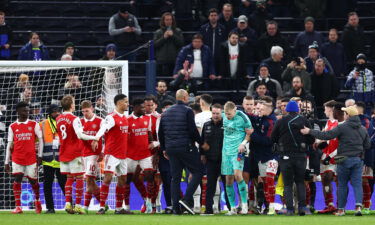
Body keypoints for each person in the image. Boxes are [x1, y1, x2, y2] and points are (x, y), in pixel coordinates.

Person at [301, 105, 371, 216]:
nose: (344, 114)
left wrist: (309, 131)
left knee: (342, 184)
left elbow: (326, 135)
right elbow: (367, 145)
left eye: (345, 113)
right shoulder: (362, 129)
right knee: (357, 184)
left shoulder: (342, 127)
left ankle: (341, 210)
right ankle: (358, 208)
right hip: (358, 159)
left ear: (348, 115)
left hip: (343, 158)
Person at [158, 89, 204, 215]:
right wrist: (201, 143)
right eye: (188, 96)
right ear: (184, 97)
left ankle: (176, 208)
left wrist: (164, 149)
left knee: (175, 178)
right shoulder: (188, 111)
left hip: (171, 149)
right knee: (198, 171)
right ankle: (186, 199)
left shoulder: (166, 113)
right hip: (185, 147)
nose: (188, 98)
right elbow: (192, 130)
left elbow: (160, 133)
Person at [271, 100, 315, 216]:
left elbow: (273, 138)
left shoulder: (280, 121)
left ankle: (289, 209)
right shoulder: (304, 120)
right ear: (298, 110)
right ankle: (302, 208)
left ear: (287, 109)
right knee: (300, 182)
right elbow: (311, 139)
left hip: (285, 156)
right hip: (301, 156)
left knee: (287, 184)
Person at [56, 95, 98, 214]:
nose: (75, 105)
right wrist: (95, 137)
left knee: (69, 178)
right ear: (71, 105)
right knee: (79, 178)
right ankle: (78, 205)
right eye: (74, 103)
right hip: (75, 152)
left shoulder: (58, 119)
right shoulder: (75, 118)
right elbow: (80, 135)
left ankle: (68, 203)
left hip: (63, 152)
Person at [93, 94, 129, 214]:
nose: (127, 104)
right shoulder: (111, 117)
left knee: (122, 180)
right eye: (125, 102)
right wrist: (96, 138)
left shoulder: (125, 118)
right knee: (107, 178)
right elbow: (103, 128)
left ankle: (119, 208)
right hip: (112, 153)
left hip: (123, 155)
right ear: (119, 103)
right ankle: (102, 207)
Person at [4, 102, 43, 214]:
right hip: (17, 158)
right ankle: (18, 207)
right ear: (18, 112)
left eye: (28, 110)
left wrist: (39, 155)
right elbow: (9, 144)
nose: (27, 112)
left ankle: (37, 201)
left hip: (31, 158)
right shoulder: (12, 126)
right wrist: (7, 161)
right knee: (17, 179)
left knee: (33, 181)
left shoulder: (34, 124)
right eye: (24, 110)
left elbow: (41, 140)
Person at [221, 101, 253, 215]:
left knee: (238, 175)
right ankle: (233, 208)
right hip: (226, 152)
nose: (227, 116)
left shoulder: (242, 117)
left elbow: (250, 131)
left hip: (237, 151)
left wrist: (243, 144)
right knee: (228, 179)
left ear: (234, 110)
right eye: (226, 114)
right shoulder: (223, 115)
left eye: (229, 114)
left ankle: (244, 205)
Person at [126, 98, 157, 213]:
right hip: (130, 155)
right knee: (127, 180)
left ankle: (149, 202)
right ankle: (127, 206)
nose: (145, 109)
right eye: (142, 107)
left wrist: (152, 144)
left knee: (150, 177)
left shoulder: (147, 118)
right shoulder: (127, 120)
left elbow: (149, 134)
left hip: (145, 154)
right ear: (135, 108)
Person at [250, 97, 278, 215]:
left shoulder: (272, 122)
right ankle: (266, 207)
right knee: (265, 182)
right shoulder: (261, 119)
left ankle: (271, 207)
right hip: (261, 157)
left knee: (270, 181)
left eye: (261, 109)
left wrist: (252, 134)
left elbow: (268, 141)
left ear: (268, 109)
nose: (258, 111)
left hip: (272, 156)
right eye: (258, 109)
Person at [39, 104, 66, 214]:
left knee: (64, 184)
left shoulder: (63, 122)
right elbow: (37, 140)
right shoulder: (42, 124)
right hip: (47, 160)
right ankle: (50, 208)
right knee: (47, 185)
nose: (57, 113)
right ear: (49, 113)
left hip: (61, 160)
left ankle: (71, 206)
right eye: (55, 111)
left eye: (58, 111)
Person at [316, 100, 340, 214]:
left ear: (330, 109)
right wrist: (318, 142)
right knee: (325, 179)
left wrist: (331, 156)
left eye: (325, 109)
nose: (324, 111)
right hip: (326, 154)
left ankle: (341, 205)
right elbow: (324, 136)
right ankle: (329, 204)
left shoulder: (339, 123)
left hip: (337, 156)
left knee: (337, 179)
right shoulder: (328, 123)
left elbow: (340, 143)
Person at [200, 103, 224, 215]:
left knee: (227, 184)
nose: (215, 115)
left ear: (222, 113)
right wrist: (202, 154)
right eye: (213, 113)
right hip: (211, 159)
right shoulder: (207, 124)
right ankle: (208, 209)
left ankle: (231, 208)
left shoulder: (227, 124)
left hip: (224, 160)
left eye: (217, 113)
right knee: (210, 185)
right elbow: (202, 140)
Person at [80, 100, 103, 214]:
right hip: (83, 155)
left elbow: (106, 138)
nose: (85, 113)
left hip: (94, 155)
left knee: (89, 180)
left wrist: (102, 152)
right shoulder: (79, 122)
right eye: (83, 111)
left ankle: (85, 207)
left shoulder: (100, 121)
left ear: (92, 109)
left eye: (87, 111)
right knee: (91, 182)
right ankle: (103, 204)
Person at [355, 102, 375, 214]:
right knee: (359, 180)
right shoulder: (359, 121)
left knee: (365, 179)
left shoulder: (366, 122)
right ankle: (363, 203)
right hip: (358, 155)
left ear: (358, 109)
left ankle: (366, 204)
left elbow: (367, 141)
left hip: (365, 156)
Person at [154, 12, 184, 77]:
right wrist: (164, 37)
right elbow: (155, 45)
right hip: (162, 61)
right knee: (162, 81)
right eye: (167, 20)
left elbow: (181, 43)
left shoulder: (178, 31)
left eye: (170, 19)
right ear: (163, 21)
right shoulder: (158, 32)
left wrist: (173, 35)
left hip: (174, 61)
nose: (169, 21)